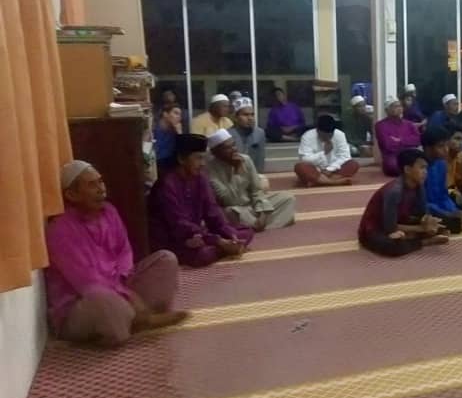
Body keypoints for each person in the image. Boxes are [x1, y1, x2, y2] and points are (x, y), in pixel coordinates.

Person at [45, 161, 188, 347]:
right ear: (72, 195)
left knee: (166, 259)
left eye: (101, 182)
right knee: (104, 301)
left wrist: (124, 281)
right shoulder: (60, 230)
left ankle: (134, 318)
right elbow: (87, 282)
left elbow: (124, 252)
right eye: (92, 185)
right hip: (82, 303)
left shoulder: (109, 212)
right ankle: (138, 319)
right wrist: (127, 295)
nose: (101, 189)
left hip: (119, 285)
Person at [149, 134, 253, 267]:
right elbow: (179, 224)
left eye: (204, 158)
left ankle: (228, 246)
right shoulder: (167, 184)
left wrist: (231, 236)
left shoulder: (200, 178)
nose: (203, 163)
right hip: (174, 239)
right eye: (198, 158)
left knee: (245, 232)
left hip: (197, 235)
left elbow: (213, 212)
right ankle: (225, 249)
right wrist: (218, 241)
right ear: (181, 159)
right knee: (202, 255)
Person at [357, 149, 450, 257]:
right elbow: (390, 227)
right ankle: (425, 242)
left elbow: (423, 213)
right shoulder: (394, 191)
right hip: (377, 229)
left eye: (426, 168)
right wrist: (421, 229)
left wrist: (429, 222)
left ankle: (413, 237)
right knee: (392, 245)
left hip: (402, 222)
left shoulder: (419, 186)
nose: (425, 172)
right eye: (421, 168)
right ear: (407, 169)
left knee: (445, 223)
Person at [208, 129, 296, 231]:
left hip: (252, 206)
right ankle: (258, 224)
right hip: (236, 209)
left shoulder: (245, 160)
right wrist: (236, 172)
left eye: (234, 145)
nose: (234, 149)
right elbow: (229, 200)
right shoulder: (209, 168)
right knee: (229, 213)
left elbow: (257, 190)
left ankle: (256, 224)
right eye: (228, 148)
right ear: (215, 152)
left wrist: (263, 212)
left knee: (287, 198)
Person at [295, 114, 360, 187]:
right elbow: (305, 159)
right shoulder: (307, 136)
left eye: (330, 135)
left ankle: (320, 181)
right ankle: (334, 182)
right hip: (316, 169)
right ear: (317, 130)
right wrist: (324, 153)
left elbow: (345, 156)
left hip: (334, 170)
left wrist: (330, 169)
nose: (327, 138)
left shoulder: (340, 135)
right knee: (300, 167)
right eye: (324, 135)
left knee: (353, 164)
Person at [375, 97, 422, 176]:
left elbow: (418, 140)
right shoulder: (380, 125)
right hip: (393, 156)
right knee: (393, 166)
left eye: (400, 106)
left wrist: (400, 140)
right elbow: (388, 145)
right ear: (387, 110)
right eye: (395, 106)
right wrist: (408, 142)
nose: (399, 108)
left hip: (410, 154)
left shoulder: (409, 124)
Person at [229, 97, 266, 173]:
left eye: (252, 115)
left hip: (253, 174)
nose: (250, 118)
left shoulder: (259, 133)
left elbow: (260, 161)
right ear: (235, 118)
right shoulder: (227, 135)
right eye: (245, 115)